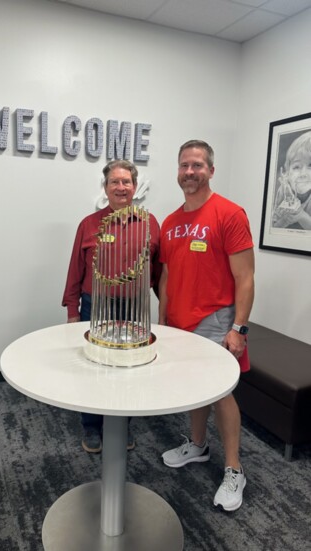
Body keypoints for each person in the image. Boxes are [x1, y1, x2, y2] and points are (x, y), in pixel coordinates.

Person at [158, 140, 255, 512]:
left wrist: (239, 328)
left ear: (211, 170)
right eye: (184, 165)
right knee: (194, 388)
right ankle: (197, 446)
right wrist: (163, 320)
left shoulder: (229, 214)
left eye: (197, 165)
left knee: (220, 393)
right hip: (179, 322)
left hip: (216, 319)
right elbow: (166, 276)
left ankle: (234, 469)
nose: (189, 171)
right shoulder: (170, 221)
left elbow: (245, 278)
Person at [62, 160, 161, 453]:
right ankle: (91, 426)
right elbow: (75, 269)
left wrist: (164, 310)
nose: (121, 187)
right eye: (114, 182)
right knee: (93, 367)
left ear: (135, 187)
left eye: (126, 182)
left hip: (134, 309)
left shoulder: (149, 223)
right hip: (95, 306)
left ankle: (121, 424)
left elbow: (158, 271)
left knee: (129, 369)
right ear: (105, 188)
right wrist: (72, 310)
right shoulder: (89, 224)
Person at [272, 131, 311, 230]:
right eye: (296, 167)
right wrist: (284, 220)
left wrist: (301, 216)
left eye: (310, 166)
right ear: (287, 173)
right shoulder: (284, 190)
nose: (303, 174)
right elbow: (273, 226)